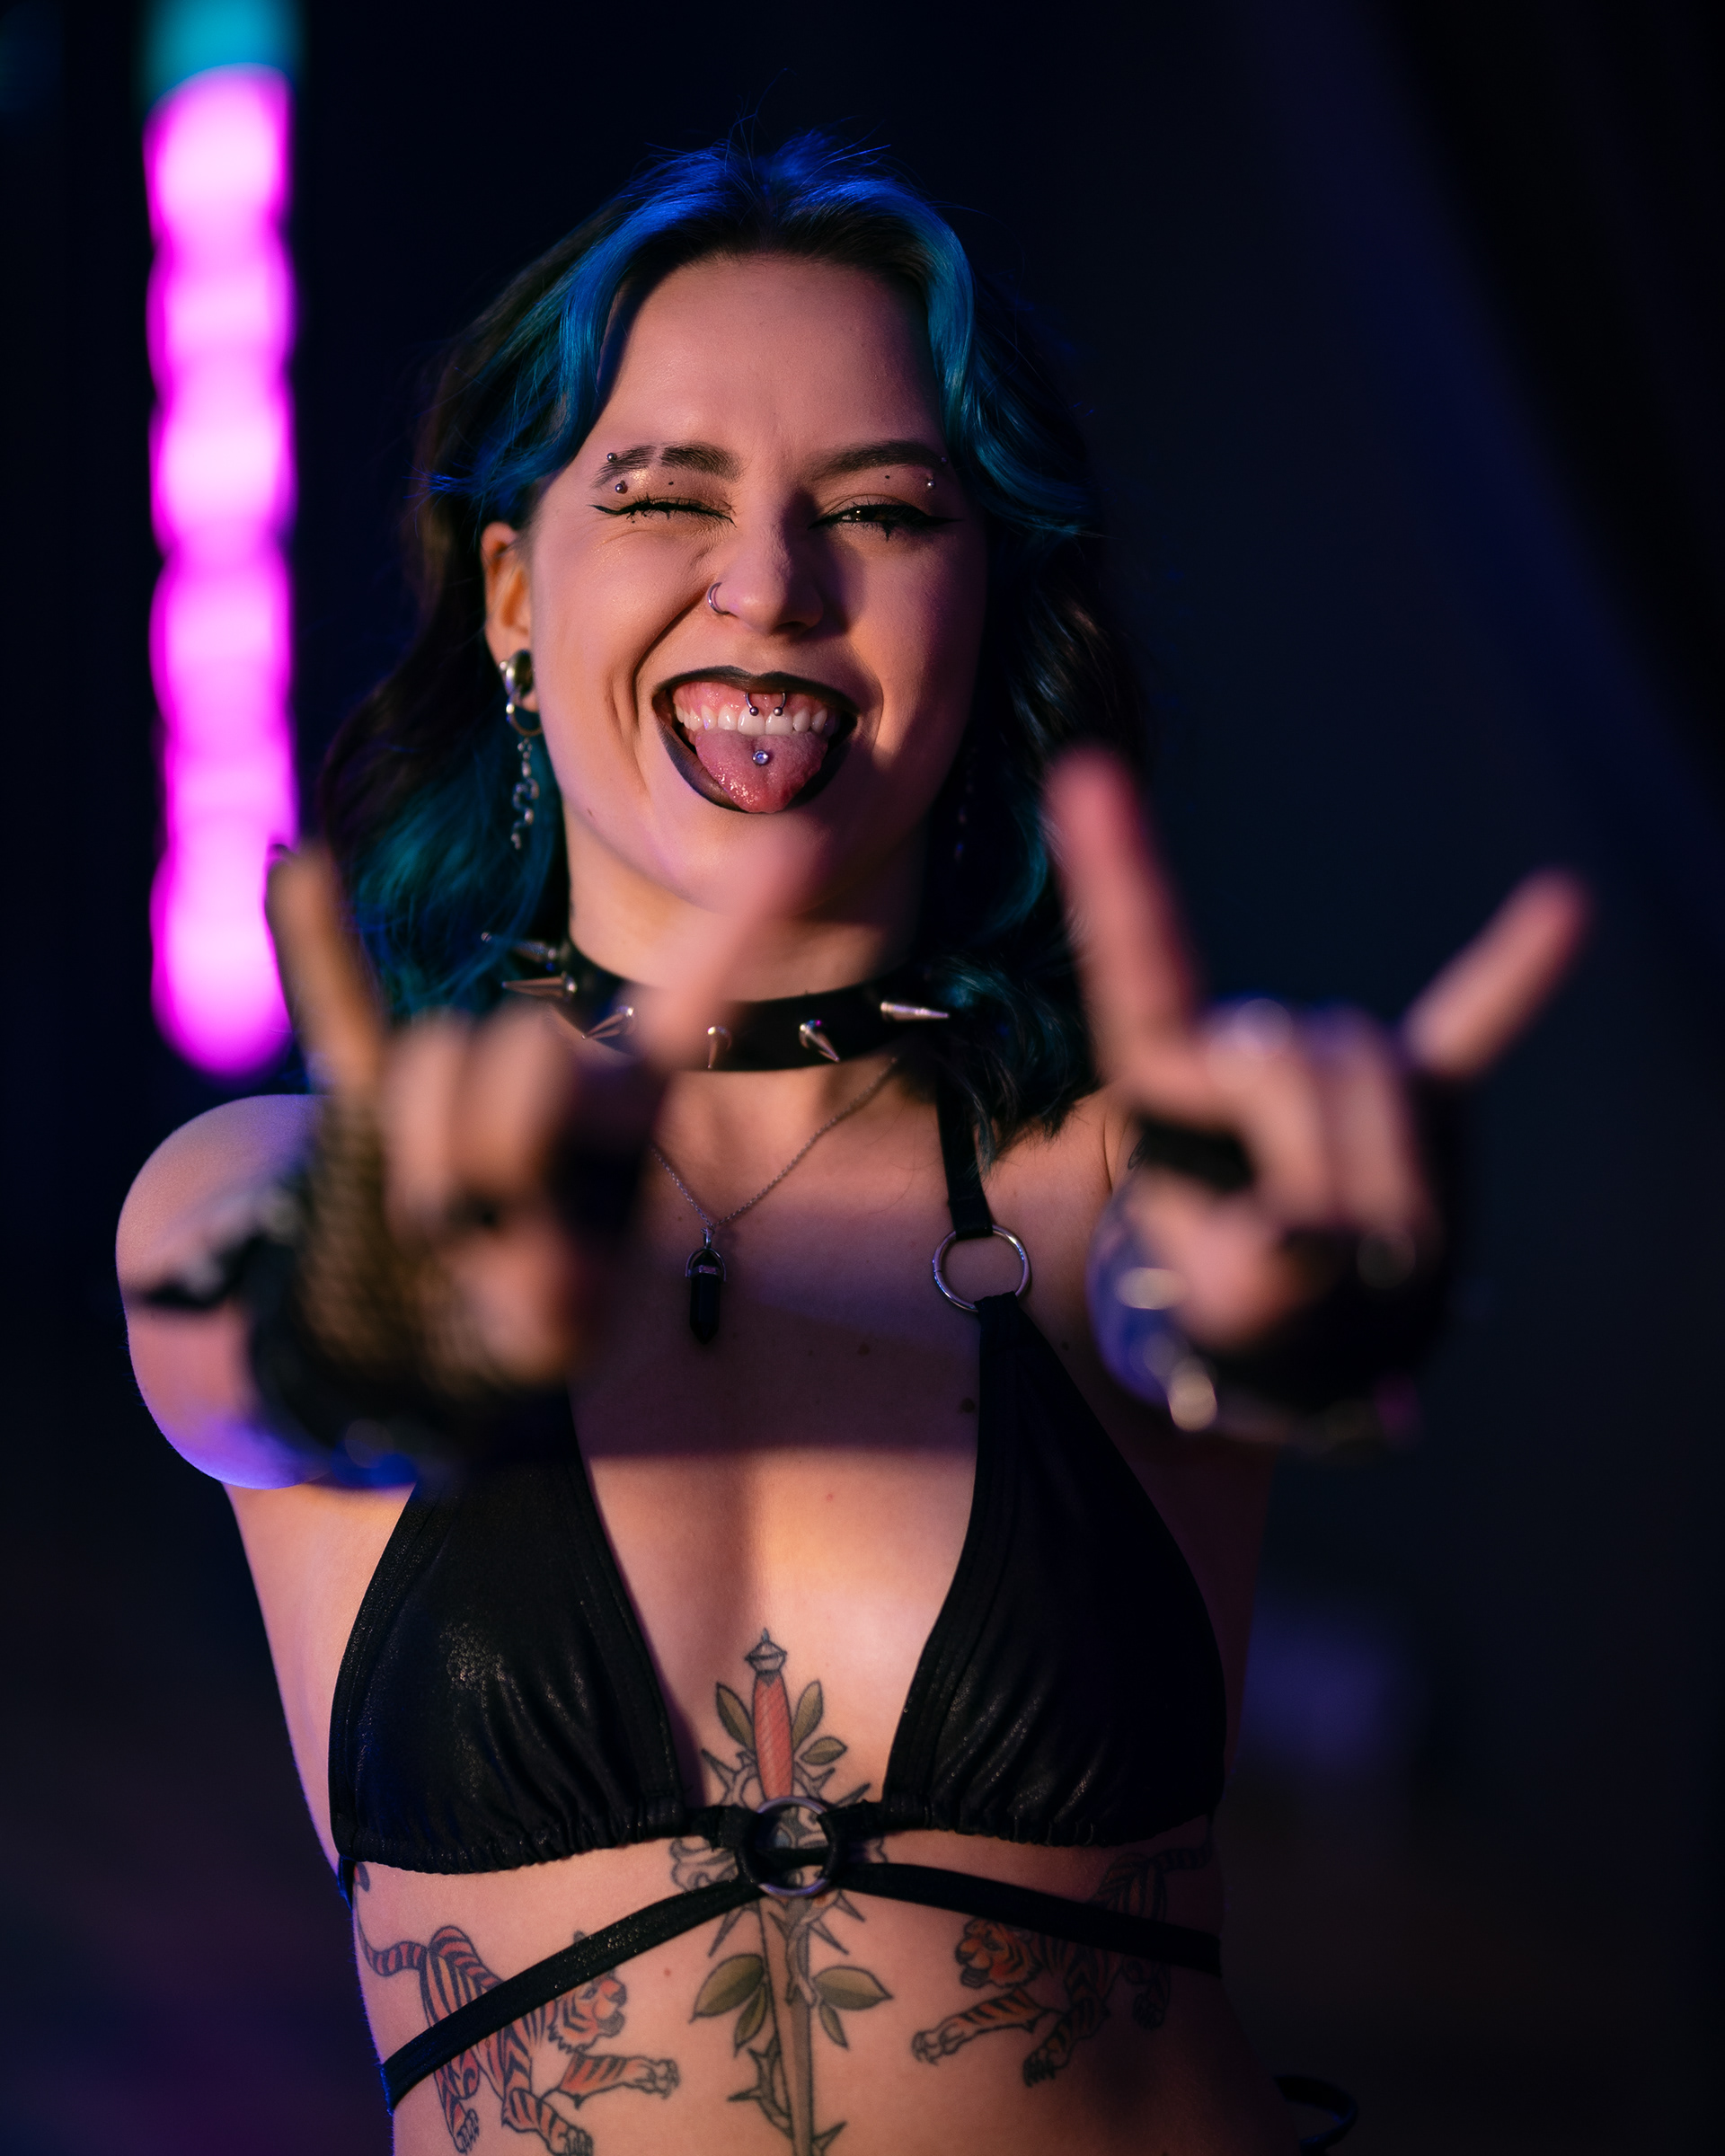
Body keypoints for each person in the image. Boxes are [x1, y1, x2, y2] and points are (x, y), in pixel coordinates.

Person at [118, 136, 1585, 2156]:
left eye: (881, 510)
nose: (772, 586)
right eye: (667, 496)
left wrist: (1305, 1292)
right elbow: (255, 1330)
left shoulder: (1110, 1184)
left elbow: (1213, 1299)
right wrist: (381, 1308)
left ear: (985, 611)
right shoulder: (267, 1184)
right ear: (514, 593)